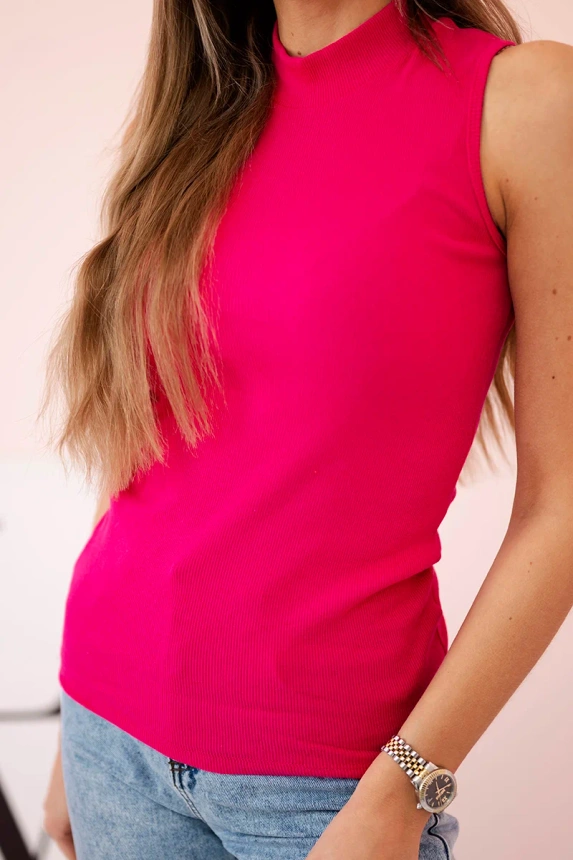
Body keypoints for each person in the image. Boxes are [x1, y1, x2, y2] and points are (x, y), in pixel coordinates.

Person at [39, 0, 573, 858]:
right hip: (108, 727)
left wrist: (407, 786)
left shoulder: (525, 103)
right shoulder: (207, 109)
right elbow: (154, 439)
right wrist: (77, 727)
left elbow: (564, 505)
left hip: (326, 788)